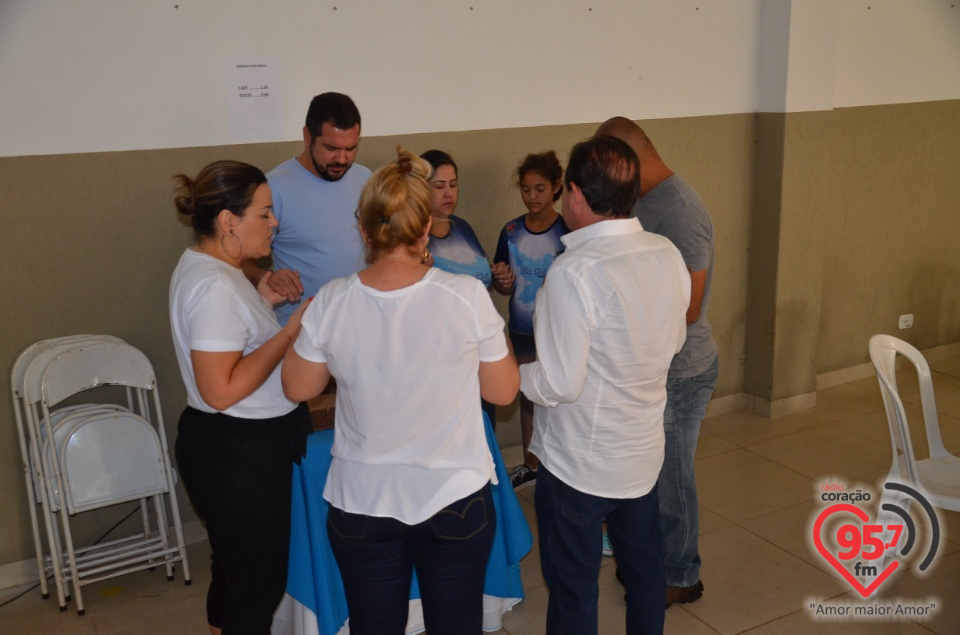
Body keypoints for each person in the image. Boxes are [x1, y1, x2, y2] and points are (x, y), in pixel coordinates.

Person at [281, 148, 520, 635]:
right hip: (454, 497)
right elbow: (502, 391)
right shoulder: (466, 297)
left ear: (364, 231)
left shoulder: (332, 301)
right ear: (426, 225)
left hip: (363, 504)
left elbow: (297, 386)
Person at [519, 136, 689, 635]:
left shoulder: (573, 272)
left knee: (573, 588)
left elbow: (558, 384)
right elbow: (673, 342)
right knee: (644, 572)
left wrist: (513, 373)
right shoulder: (665, 253)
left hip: (579, 466)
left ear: (573, 193)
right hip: (641, 457)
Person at [169, 160, 312, 635]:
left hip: (233, 447)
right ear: (229, 221)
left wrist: (264, 303)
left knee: (235, 571)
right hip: (239, 453)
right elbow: (221, 388)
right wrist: (290, 333)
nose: (275, 223)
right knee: (256, 584)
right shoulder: (214, 286)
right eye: (265, 213)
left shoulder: (213, 267)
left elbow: (231, 340)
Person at [596, 116, 719, 606]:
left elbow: (688, 308)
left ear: (630, 158)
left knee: (672, 478)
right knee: (648, 476)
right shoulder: (641, 199)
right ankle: (656, 561)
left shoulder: (683, 212)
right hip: (651, 367)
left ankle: (683, 575)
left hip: (684, 370)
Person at [242, 92, 372, 325]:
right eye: (331, 148)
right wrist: (266, 276)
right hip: (302, 330)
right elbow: (239, 258)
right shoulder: (273, 189)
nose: (342, 159)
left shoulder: (365, 178)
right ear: (307, 136)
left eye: (351, 148)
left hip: (357, 323)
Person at [491, 151, 569, 490]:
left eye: (540, 189)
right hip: (522, 328)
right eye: (525, 189)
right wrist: (502, 281)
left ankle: (560, 468)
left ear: (556, 188)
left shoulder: (569, 231)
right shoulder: (510, 231)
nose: (532, 197)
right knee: (528, 396)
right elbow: (500, 281)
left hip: (558, 331)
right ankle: (531, 464)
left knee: (559, 397)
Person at [420, 149, 497, 427]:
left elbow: (480, 276)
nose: (448, 193)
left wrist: (500, 277)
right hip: (442, 356)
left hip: (481, 349)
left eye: (453, 185)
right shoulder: (413, 237)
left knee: (485, 427)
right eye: (439, 186)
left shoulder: (462, 227)